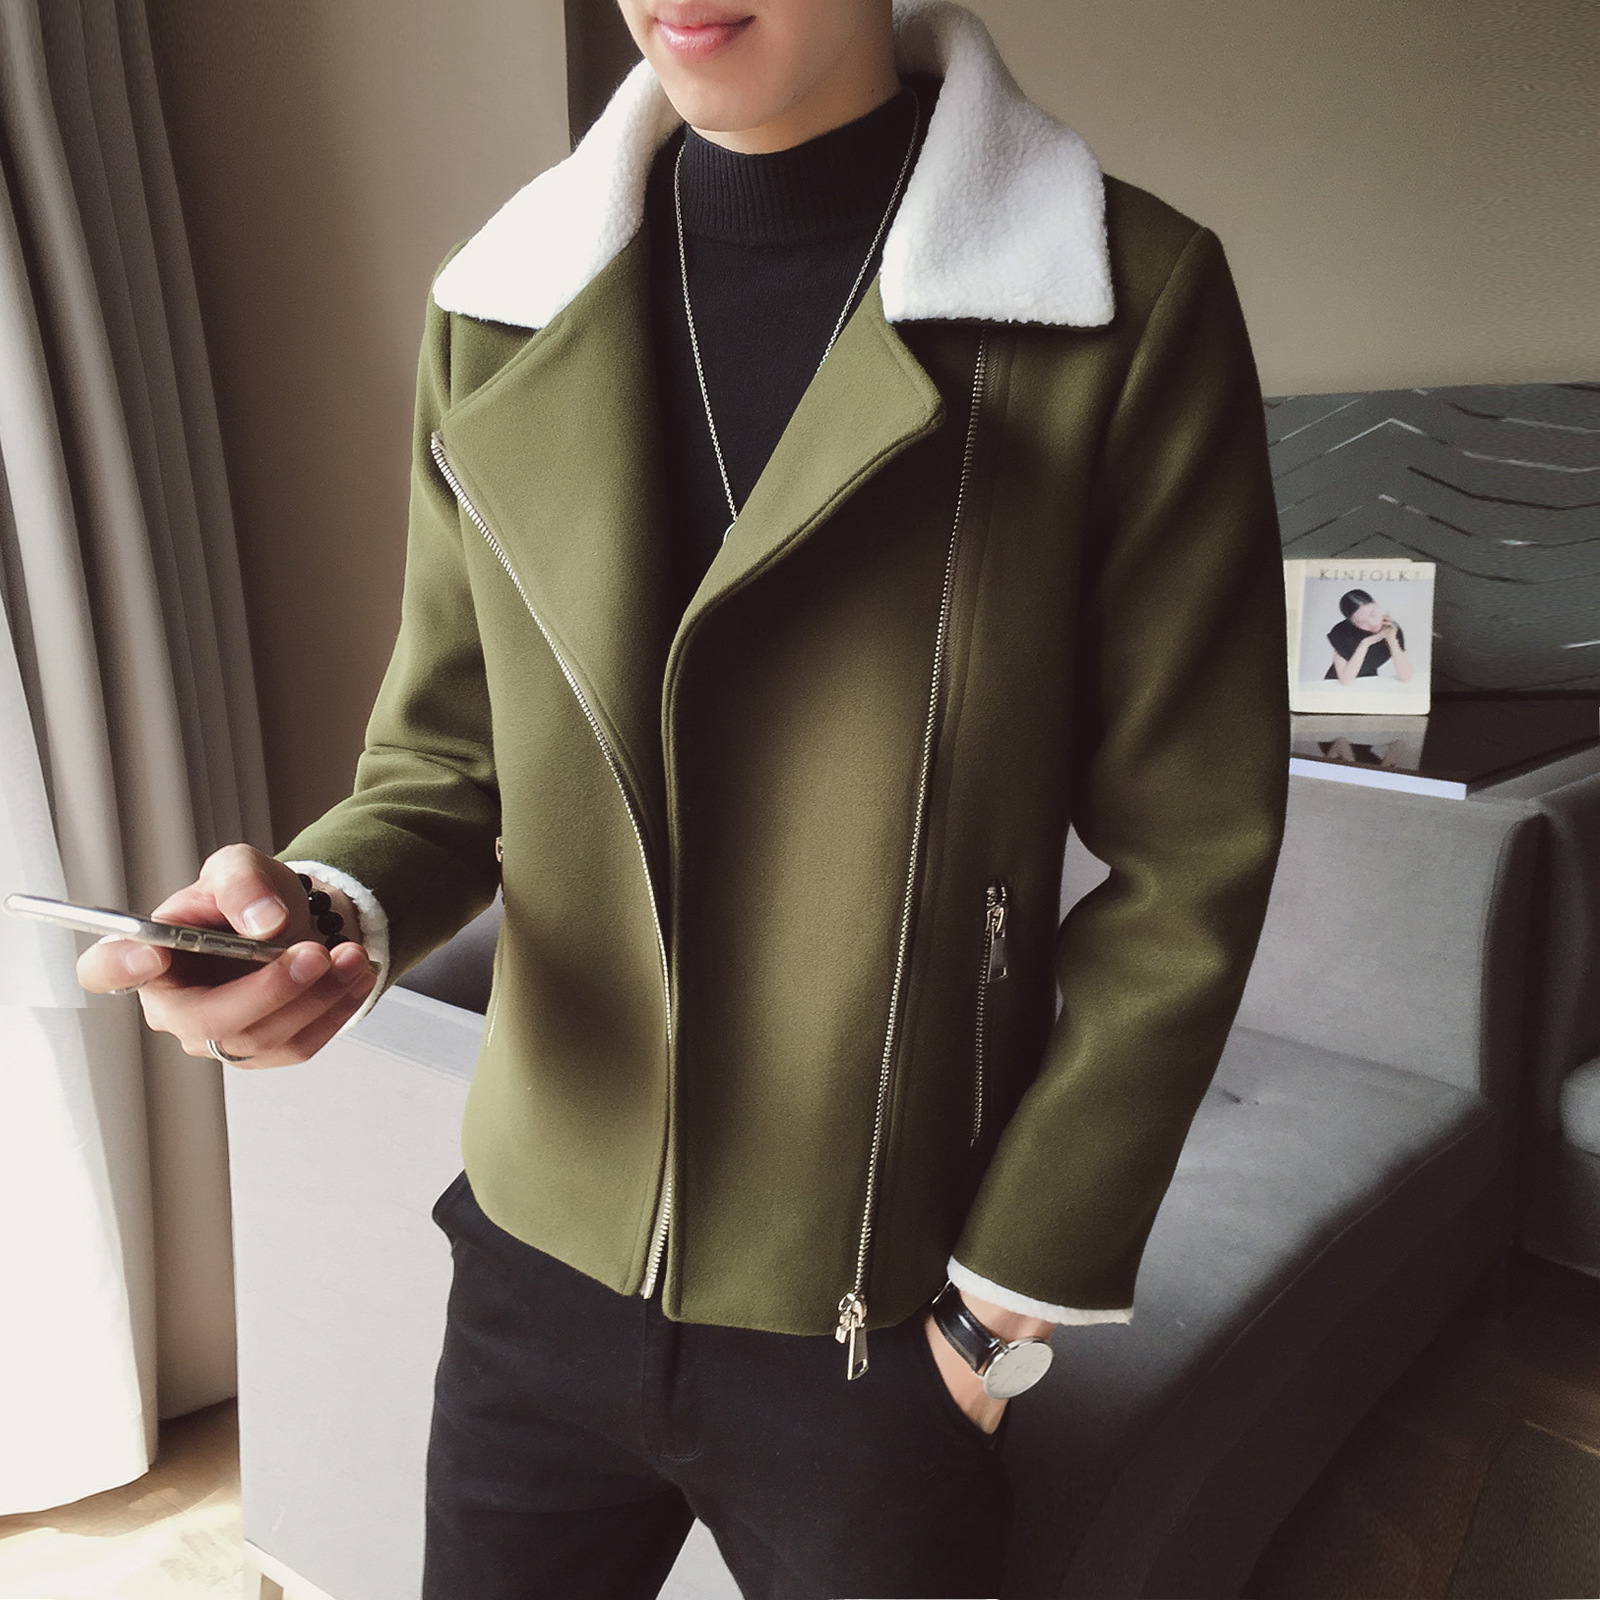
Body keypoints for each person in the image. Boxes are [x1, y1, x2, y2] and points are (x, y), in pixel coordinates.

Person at [78, 1, 1291, 1594]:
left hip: (878, 1323)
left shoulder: (1116, 305)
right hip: (531, 1275)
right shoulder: (503, 306)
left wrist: (1001, 1305)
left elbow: (1191, 855)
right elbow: (446, 761)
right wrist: (315, 914)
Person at [1324, 587, 1413, 683]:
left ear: (1377, 606)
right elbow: (1346, 680)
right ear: (1352, 623)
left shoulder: (1391, 628)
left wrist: (1391, 639)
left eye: (1372, 614)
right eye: (1361, 622)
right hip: (1334, 684)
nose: (1372, 623)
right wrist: (1366, 643)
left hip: (1368, 682)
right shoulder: (1342, 632)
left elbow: (1406, 677)